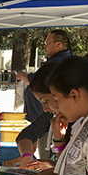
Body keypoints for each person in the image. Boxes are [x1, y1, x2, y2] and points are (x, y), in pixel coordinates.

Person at [18, 30, 72, 159]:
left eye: (46, 101)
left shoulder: (85, 124)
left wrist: (58, 141)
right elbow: (26, 134)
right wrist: (26, 156)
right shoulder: (53, 115)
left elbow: (69, 167)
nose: (45, 108)